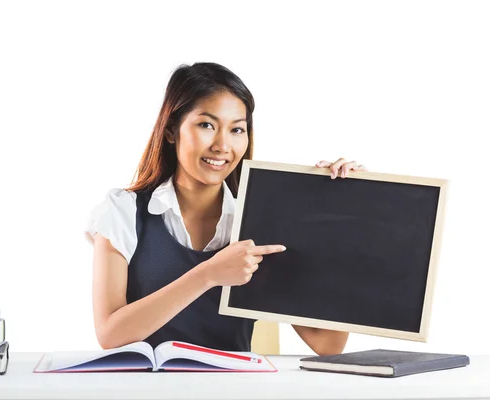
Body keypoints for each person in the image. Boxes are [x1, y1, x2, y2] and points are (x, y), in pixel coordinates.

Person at [85, 62, 367, 356]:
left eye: (236, 129)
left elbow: (328, 343)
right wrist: (208, 274)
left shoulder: (262, 221)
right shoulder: (123, 211)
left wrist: (342, 214)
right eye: (206, 125)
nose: (222, 145)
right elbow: (110, 333)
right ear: (171, 130)